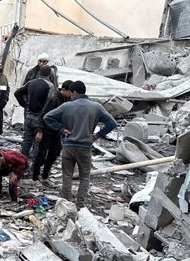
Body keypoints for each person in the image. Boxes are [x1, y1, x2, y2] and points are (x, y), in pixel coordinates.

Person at [43, 80, 117, 208]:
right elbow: (112, 123)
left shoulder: (66, 106)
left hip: (68, 146)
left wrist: (61, 129)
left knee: (67, 176)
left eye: (71, 93)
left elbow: (47, 117)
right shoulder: (96, 107)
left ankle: (66, 204)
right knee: (84, 177)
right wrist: (98, 135)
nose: (71, 96)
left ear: (75, 92)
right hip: (85, 147)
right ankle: (80, 205)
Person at [32, 80, 73, 183]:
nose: (72, 94)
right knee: (41, 154)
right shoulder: (54, 99)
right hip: (47, 131)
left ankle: (45, 176)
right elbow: (43, 115)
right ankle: (35, 177)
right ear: (64, 90)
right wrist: (40, 131)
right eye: (70, 92)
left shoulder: (67, 100)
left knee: (53, 155)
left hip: (57, 132)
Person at [14, 65, 54, 158]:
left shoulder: (31, 82)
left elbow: (17, 93)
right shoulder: (50, 85)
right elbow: (49, 103)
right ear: (49, 74)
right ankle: (34, 167)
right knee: (37, 144)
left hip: (29, 116)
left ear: (40, 72)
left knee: (27, 141)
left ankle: (22, 163)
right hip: (40, 118)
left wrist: (25, 104)